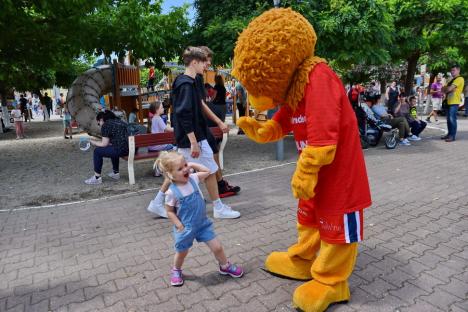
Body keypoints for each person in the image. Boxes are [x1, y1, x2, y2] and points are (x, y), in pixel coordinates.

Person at [154, 151, 243, 287]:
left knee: (217, 247)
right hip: (185, 227)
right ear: (170, 175)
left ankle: (225, 266)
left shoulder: (193, 179)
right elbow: (169, 211)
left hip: (202, 224)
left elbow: (207, 172)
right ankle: (176, 270)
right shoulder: (172, 192)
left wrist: (192, 164)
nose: (185, 169)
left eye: (185, 165)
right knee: (182, 252)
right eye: (180, 168)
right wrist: (178, 225)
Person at [171, 46, 240, 219]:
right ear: (194, 62)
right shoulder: (185, 84)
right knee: (204, 170)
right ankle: (217, 207)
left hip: (196, 136)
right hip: (194, 138)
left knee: (195, 171)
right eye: (203, 62)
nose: (206, 65)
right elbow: (183, 114)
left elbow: (193, 109)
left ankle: (165, 204)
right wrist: (194, 141)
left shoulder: (190, 81)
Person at [197, 46, 241, 198]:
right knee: (192, 163)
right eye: (207, 61)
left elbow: (202, 103)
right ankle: (168, 198)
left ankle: (220, 188)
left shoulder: (197, 78)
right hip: (194, 128)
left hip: (201, 125)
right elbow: (199, 105)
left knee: (212, 154)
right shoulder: (190, 80)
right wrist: (219, 122)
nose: (209, 64)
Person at [85, 110, 129, 185]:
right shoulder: (120, 121)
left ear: (101, 119)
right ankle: (115, 173)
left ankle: (97, 178)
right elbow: (110, 141)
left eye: (98, 122)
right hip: (129, 148)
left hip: (121, 150)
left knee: (97, 152)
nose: (99, 124)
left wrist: (93, 142)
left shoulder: (106, 125)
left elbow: (104, 144)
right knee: (112, 146)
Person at [442, 64, 465, 142]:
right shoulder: (451, 80)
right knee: (448, 119)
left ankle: (452, 136)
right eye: (451, 70)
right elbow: (443, 89)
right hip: (448, 101)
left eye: (454, 70)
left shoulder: (460, 79)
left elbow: (448, 89)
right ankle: (449, 134)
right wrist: (448, 89)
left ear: (458, 70)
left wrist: (448, 89)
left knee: (452, 119)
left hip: (454, 102)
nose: (452, 72)